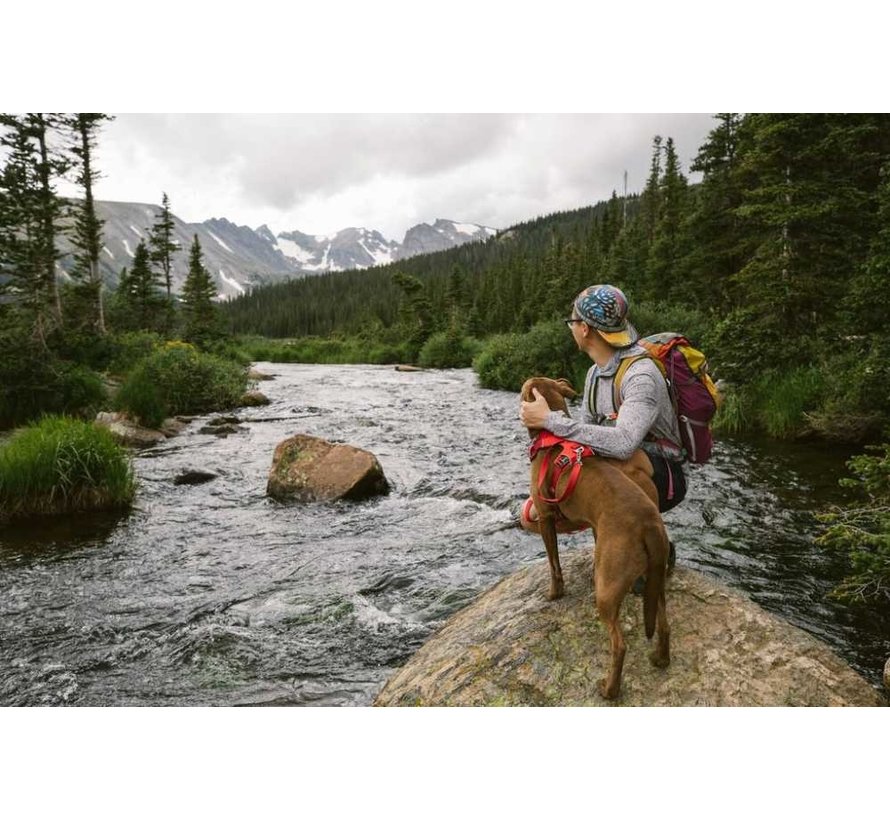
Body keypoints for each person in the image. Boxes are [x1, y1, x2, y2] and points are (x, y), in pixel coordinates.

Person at [519, 283, 687, 537]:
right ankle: (610, 534)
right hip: (616, 465)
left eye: (572, 322)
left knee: (624, 464)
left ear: (584, 329)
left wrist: (549, 419)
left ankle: (652, 541)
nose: (571, 328)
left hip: (663, 475)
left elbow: (624, 443)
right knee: (533, 516)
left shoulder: (641, 374)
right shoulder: (594, 374)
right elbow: (586, 437)